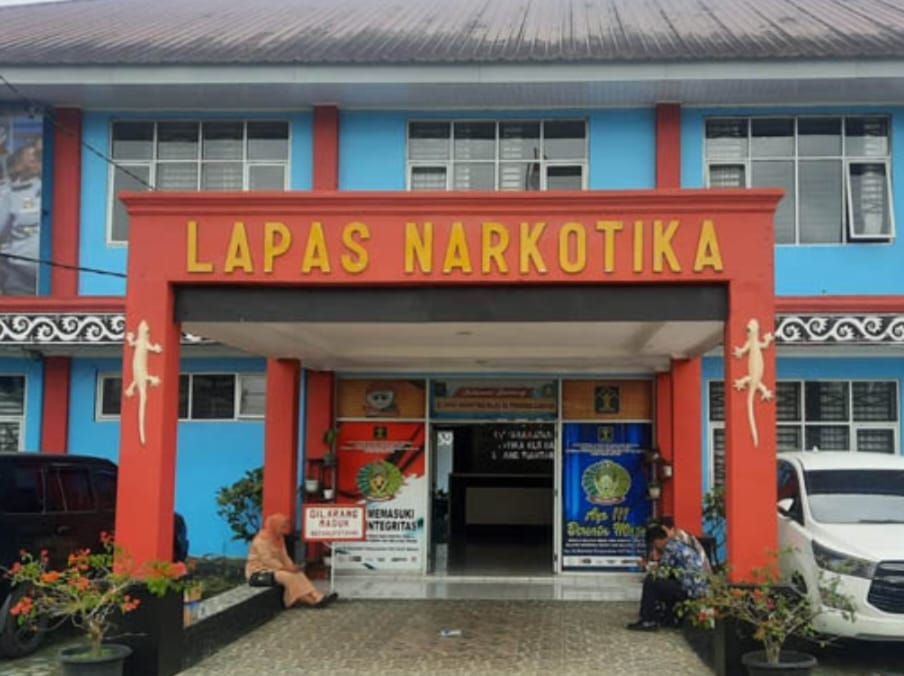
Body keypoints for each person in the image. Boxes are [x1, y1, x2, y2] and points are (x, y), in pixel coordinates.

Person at [245, 513, 338, 609]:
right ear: (274, 526)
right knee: (288, 577)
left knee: (298, 574)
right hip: (259, 572)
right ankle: (311, 601)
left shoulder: (279, 538)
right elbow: (268, 560)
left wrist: (292, 567)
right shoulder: (261, 540)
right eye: (282, 527)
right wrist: (287, 568)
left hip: (275, 569)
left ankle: (317, 596)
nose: (284, 530)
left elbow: (285, 557)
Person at [627, 525, 707, 631]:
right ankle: (669, 618)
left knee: (651, 581)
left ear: (656, 541)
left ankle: (648, 620)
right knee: (664, 584)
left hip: (689, 591)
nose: (655, 548)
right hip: (697, 589)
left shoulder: (670, 548)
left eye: (653, 545)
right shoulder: (678, 544)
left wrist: (646, 567)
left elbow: (661, 573)